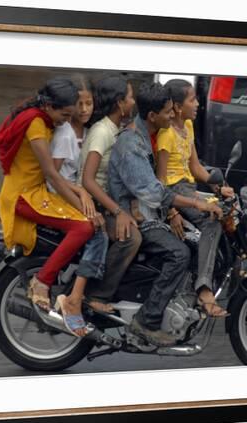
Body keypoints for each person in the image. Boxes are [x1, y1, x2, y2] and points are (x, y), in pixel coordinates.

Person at [108, 81, 224, 347]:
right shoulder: (133, 145)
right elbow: (155, 192)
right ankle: (146, 321)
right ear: (152, 116)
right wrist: (195, 205)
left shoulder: (148, 134)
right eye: (168, 112)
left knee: (193, 242)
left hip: (149, 210)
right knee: (179, 253)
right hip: (136, 215)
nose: (172, 116)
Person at [0, 77, 100, 337]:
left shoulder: (41, 116)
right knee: (84, 228)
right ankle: (42, 281)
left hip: (33, 190)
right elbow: (52, 174)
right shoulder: (37, 125)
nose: (65, 121)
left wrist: (78, 192)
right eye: (64, 115)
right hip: (24, 195)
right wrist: (85, 210)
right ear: (50, 106)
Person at [156, 78, 235, 317]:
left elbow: (196, 168)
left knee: (233, 211)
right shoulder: (166, 134)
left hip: (188, 188)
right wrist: (172, 211)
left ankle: (237, 288)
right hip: (174, 192)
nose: (198, 103)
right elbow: (159, 180)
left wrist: (219, 188)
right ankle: (203, 287)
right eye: (193, 99)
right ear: (178, 107)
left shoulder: (187, 128)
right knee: (213, 219)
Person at [47, 76, 111, 313]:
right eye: (79, 104)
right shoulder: (64, 133)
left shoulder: (90, 132)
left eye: (89, 103)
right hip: (59, 193)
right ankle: (77, 296)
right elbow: (53, 175)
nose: (84, 109)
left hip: (75, 191)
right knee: (98, 232)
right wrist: (81, 191)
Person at [78, 75, 142, 305]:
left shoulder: (117, 129)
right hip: (93, 202)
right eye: (130, 97)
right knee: (131, 238)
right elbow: (88, 180)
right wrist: (118, 212)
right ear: (119, 103)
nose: (133, 102)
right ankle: (96, 294)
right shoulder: (102, 131)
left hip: (107, 200)